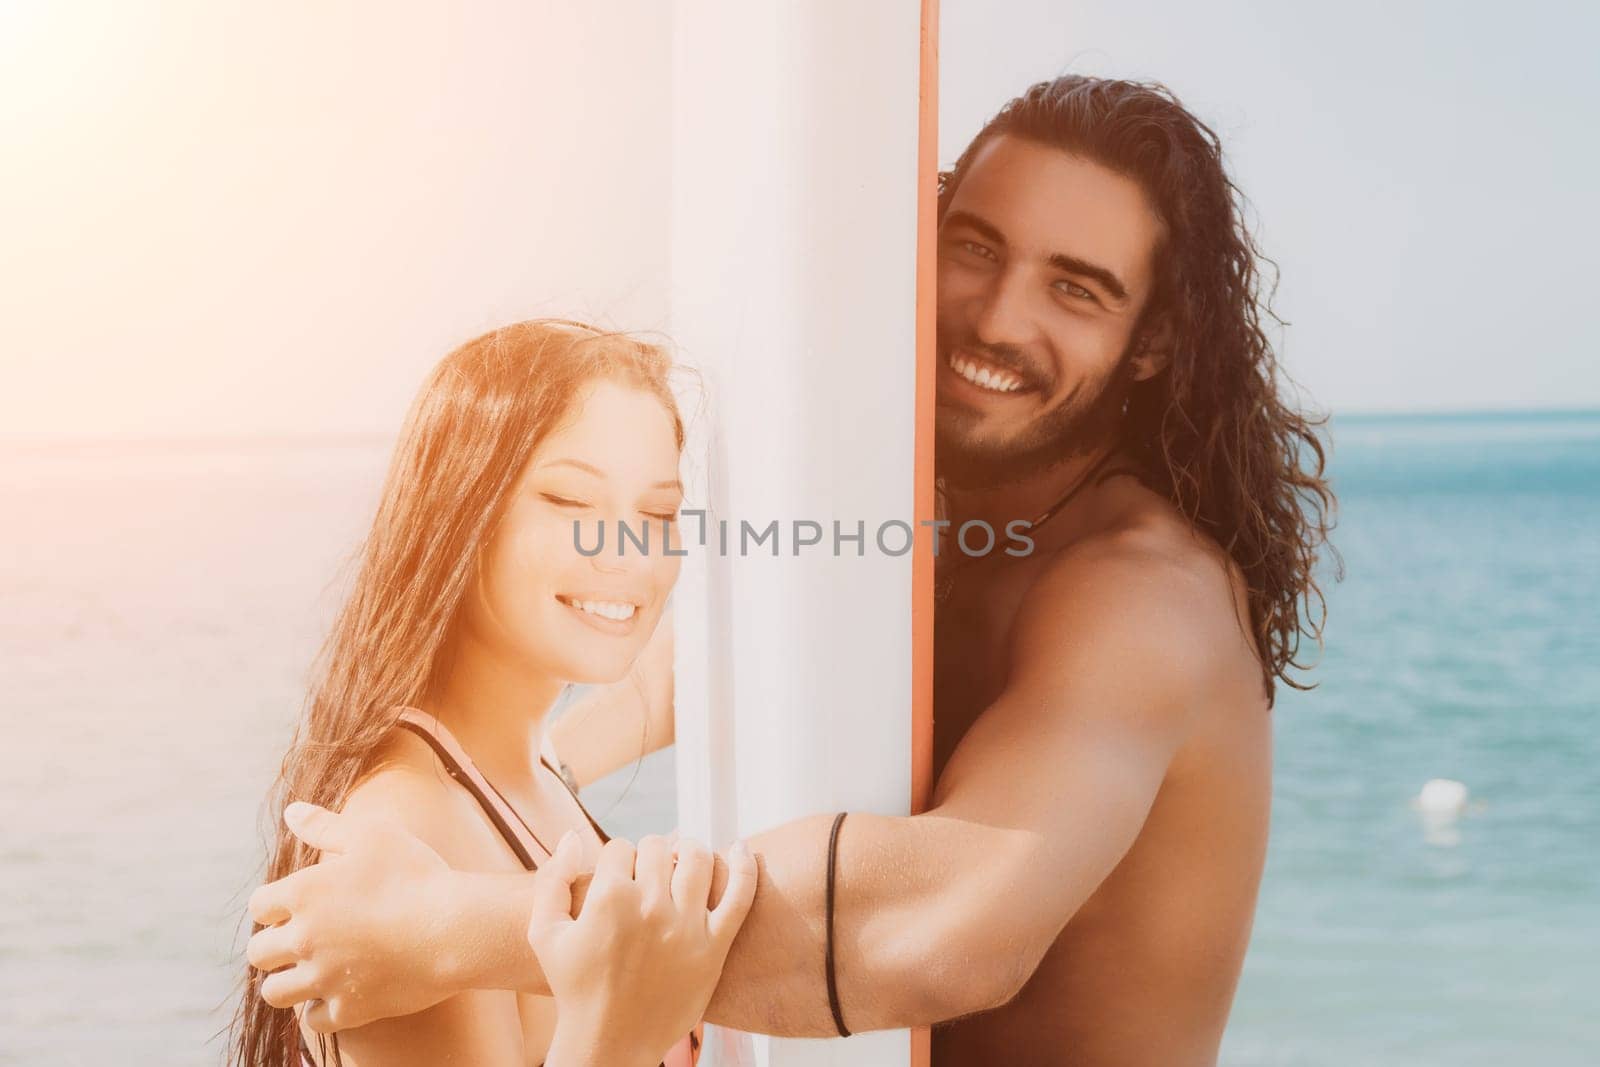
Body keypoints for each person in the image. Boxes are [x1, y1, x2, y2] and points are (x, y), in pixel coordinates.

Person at [245, 76, 1336, 1065]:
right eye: (976, 248)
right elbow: (710, 662)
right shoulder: (944, 518)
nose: (1000, 317)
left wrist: (433, 923)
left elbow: (947, 924)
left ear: (1152, 343)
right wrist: (511, 781)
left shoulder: (1139, 594)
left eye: (1077, 290)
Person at [230, 320, 758, 1067]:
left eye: (658, 514)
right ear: (460, 515)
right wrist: (621, 1031)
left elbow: (661, 680)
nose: (626, 552)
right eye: (573, 502)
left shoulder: (526, 773)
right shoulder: (412, 830)